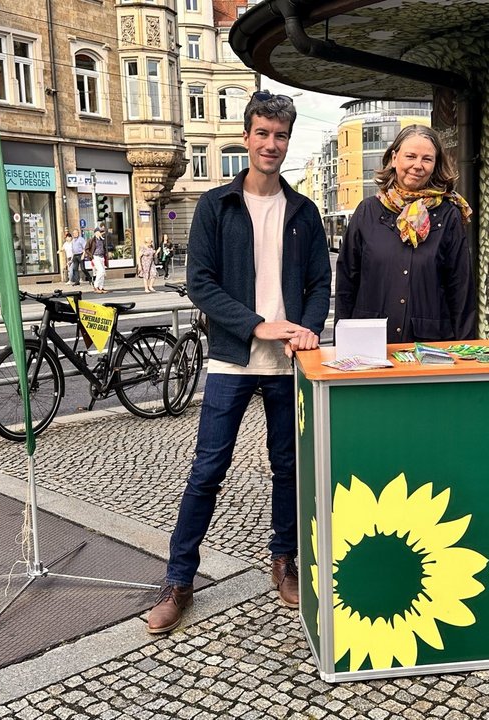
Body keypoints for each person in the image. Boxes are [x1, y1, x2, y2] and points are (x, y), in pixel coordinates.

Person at [146, 91, 330, 634]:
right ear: (246, 137)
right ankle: (179, 579)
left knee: (288, 468)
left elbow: (320, 282)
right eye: (262, 133)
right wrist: (257, 325)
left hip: (286, 365)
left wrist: (307, 329)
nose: (271, 144)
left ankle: (284, 561)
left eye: (280, 135)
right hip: (232, 359)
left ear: (287, 141)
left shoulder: (304, 211)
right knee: (207, 470)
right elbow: (200, 283)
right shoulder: (215, 206)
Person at [335, 124, 477, 343]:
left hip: (430, 348)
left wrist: (465, 349)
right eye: (410, 156)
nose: (417, 165)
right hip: (369, 345)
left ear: (435, 164)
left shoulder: (449, 215)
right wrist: (340, 345)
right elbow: (346, 284)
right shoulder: (367, 211)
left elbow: (461, 290)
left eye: (427, 159)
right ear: (394, 158)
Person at [89, 226, 108, 291]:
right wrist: (91, 256)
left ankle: (101, 287)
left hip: (102, 257)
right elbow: (86, 249)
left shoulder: (102, 239)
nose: (100, 233)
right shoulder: (92, 240)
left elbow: (104, 248)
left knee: (103, 272)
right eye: (99, 232)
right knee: (101, 271)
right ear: (96, 233)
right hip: (96, 257)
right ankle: (96, 285)